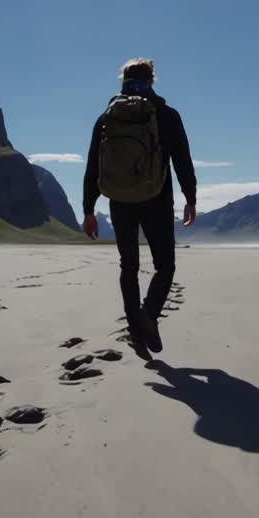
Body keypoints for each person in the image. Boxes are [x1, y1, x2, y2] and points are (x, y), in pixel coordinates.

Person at [83, 58, 196, 359]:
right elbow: (182, 160)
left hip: (120, 202)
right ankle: (149, 315)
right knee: (165, 266)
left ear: (123, 80)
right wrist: (190, 197)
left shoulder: (108, 117)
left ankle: (136, 327)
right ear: (152, 81)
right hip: (157, 199)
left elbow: (93, 165)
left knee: (129, 266)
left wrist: (89, 209)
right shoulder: (166, 114)